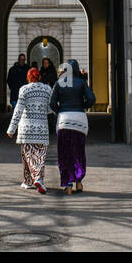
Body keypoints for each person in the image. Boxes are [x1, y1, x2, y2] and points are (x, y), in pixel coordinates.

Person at [49, 59, 95, 193]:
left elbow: (52, 103)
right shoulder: (81, 83)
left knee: (64, 153)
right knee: (78, 152)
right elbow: (92, 99)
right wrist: (82, 107)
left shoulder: (59, 83)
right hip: (80, 121)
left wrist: (61, 111)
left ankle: (68, 184)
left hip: (64, 120)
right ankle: (79, 182)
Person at [7, 64, 52, 193]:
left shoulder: (24, 90)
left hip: (26, 128)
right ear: (39, 76)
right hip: (42, 128)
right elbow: (49, 109)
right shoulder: (47, 89)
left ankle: (32, 180)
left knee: (27, 155)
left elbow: (18, 111)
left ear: (28, 77)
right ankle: (36, 179)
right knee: (39, 156)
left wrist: (11, 129)